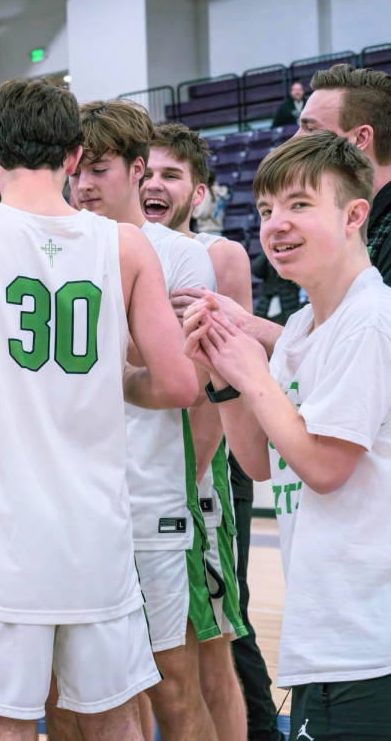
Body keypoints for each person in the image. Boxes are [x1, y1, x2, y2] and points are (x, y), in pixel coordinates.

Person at [0, 76, 196, 741]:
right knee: (116, 726)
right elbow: (177, 385)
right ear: (74, 156)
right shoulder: (127, 246)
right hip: (97, 538)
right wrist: (114, 380)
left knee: (1, 730)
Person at [185, 131, 391, 739]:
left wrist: (253, 374)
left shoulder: (372, 322)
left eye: (299, 204)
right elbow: (257, 461)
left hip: (372, 644)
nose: (276, 223)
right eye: (266, 209)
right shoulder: (304, 324)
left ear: (355, 214)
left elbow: (327, 468)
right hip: (326, 636)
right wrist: (223, 377)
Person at [59, 99, 218, 741]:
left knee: (173, 683)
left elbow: (191, 383)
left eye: (98, 168)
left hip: (151, 500)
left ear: (136, 170)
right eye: (76, 169)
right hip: (75, 501)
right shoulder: (58, 245)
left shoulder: (179, 256)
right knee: (73, 694)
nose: (85, 184)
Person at [141, 122, 255, 741]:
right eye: (148, 172)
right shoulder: (128, 249)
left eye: (172, 175)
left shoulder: (218, 255)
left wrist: (192, 476)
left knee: (210, 647)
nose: (155, 184)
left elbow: (221, 375)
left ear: (200, 194)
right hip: (134, 474)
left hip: (195, 478)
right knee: (141, 662)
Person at [296, 63, 391, 290]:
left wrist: (270, 328)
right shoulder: (333, 221)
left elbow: (383, 326)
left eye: (310, 129)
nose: (294, 140)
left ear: (360, 138)